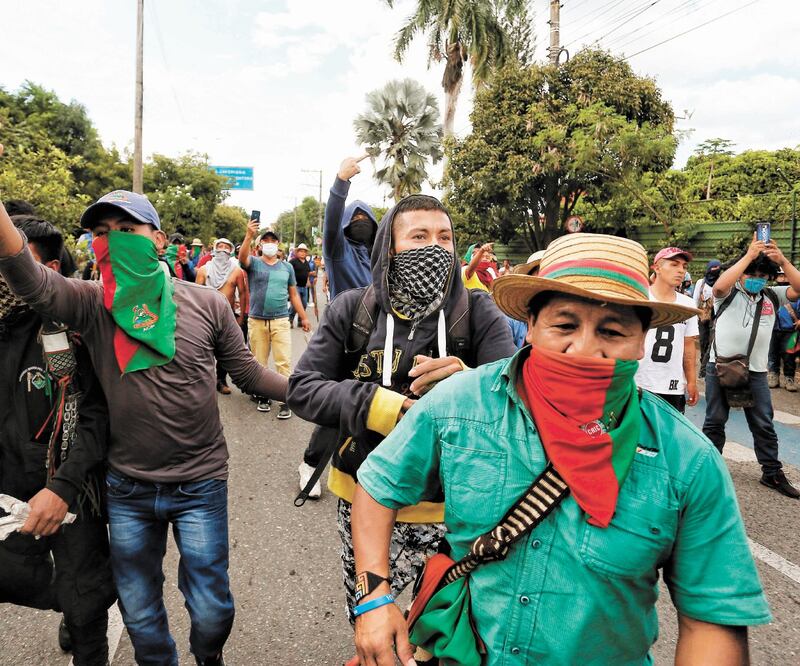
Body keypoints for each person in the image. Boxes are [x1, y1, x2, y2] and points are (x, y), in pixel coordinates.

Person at [351, 232, 771, 666]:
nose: (584, 350)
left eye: (612, 331)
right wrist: (373, 598)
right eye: (565, 325)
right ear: (531, 326)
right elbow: (379, 485)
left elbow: (711, 623)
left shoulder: (689, 460)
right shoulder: (459, 403)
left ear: (641, 341)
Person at [0, 190, 289, 666]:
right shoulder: (93, 303)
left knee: (212, 610)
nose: (113, 241)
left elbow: (249, 374)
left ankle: (209, 655)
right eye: (101, 233)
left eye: (126, 230)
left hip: (200, 484)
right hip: (128, 489)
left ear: (157, 240)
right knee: (140, 613)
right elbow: (29, 279)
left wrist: (318, 394)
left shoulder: (207, 304)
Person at [287, 194, 517, 624]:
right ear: (389, 249)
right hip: (365, 500)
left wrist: (468, 381)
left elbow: (516, 400)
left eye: (444, 238)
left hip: (456, 509)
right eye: (419, 237)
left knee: (443, 629)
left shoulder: (477, 311)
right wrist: (381, 405)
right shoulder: (352, 309)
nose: (435, 248)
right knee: (372, 622)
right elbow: (303, 389)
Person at [0, 215, 115, 666]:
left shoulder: (71, 331)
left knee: (85, 603)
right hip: (6, 490)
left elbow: (95, 416)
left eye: (12, 261)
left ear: (46, 269)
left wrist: (63, 487)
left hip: (69, 493)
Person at [703, 234, 800, 499]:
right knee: (715, 421)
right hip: (720, 367)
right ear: (741, 273)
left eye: (762, 275)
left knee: (763, 423)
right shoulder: (728, 294)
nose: (756, 279)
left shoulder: (772, 296)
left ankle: (772, 472)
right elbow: (718, 288)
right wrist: (748, 256)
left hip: (755, 372)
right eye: (751, 274)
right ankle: (708, 471)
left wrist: (782, 261)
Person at [238, 225, 310, 418]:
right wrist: (249, 235)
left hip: (280, 320)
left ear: (278, 244)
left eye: (273, 240)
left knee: (283, 361)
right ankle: (263, 396)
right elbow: (242, 258)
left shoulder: (287, 267)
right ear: (261, 244)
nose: (269, 243)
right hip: (257, 321)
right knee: (259, 362)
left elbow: (293, 295)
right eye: (266, 240)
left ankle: (285, 399)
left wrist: (304, 317)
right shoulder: (253, 263)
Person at [635, 247, 699, 413]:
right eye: (674, 264)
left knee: (669, 430)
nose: (681, 270)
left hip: (672, 385)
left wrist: (691, 381)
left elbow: (689, 346)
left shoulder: (688, 304)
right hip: (637, 381)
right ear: (657, 268)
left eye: (684, 266)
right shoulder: (639, 299)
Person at [196, 238, 250, 395]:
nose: (223, 250)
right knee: (204, 349)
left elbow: (243, 293)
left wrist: (241, 317)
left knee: (224, 350)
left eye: (227, 247)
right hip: (206, 316)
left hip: (227, 315)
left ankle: (220, 380)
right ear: (214, 249)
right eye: (220, 246)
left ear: (231, 251)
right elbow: (196, 294)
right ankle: (203, 380)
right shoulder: (203, 270)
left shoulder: (236, 271)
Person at [323, 155, 380, 300]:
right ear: (345, 225)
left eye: (365, 219)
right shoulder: (339, 252)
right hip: (345, 315)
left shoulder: (380, 259)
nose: (360, 222)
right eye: (354, 219)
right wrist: (341, 181)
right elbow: (331, 225)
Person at [693, 259, 722, 378]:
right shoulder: (701, 282)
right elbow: (695, 299)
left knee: (712, 342)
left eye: (718, 268)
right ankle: (703, 362)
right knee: (703, 342)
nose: (715, 270)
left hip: (716, 316)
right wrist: (694, 317)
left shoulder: (721, 282)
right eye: (713, 268)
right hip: (703, 315)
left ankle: (705, 369)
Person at [768, 294, 800, 391]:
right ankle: (773, 375)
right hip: (772, 329)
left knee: (789, 355)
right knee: (772, 353)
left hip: (790, 330)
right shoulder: (771, 295)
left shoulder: (795, 295)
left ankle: (789, 378)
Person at [288, 243, 314, 327]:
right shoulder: (293, 261)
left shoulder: (306, 262)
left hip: (304, 287)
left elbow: (307, 273)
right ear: (297, 252)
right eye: (301, 251)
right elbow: (288, 271)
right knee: (295, 305)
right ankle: (290, 320)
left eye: (304, 251)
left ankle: (300, 320)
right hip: (295, 287)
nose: (303, 253)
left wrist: (309, 278)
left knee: (304, 304)